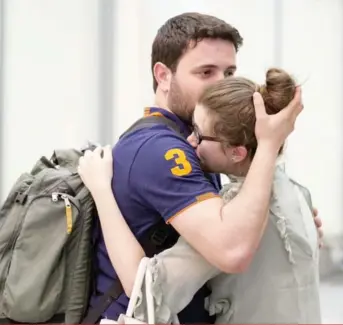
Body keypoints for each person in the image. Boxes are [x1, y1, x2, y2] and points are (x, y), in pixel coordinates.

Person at [82, 12, 322, 323]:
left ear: (236, 152)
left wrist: (102, 193)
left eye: (230, 71)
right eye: (206, 72)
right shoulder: (163, 148)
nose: (221, 84)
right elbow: (228, 250)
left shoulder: (231, 173)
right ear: (163, 75)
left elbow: (226, 250)